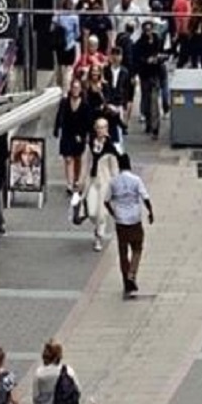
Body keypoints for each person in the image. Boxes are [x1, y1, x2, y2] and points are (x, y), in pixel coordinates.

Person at [105, 154, 154, 298]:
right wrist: (150, 212)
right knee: (137, 248)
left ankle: (125, 278)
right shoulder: (136, 180)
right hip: (135, 219)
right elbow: (145, 197)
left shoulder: (114, 182)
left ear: (119, 165)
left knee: (123, 251)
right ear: (129, 164)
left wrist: (114, 214)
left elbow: (106, 201)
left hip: (121, 220)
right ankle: (132, 273)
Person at [80, 118, 121, 252]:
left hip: (105, 181)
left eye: (104, 127)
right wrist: (81, 180)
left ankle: (99, 236)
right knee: (92, 211)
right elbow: (85, 163)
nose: (101, 130)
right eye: (99, 127)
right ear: (95, 129)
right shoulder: (90, 144)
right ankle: (97, 226)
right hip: (92, 181)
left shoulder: (111, 147)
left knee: (101, 212)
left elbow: (114, 168)